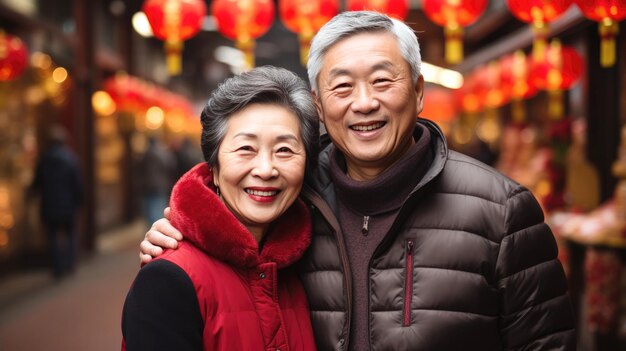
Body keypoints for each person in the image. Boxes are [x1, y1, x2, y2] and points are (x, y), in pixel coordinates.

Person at [140, 11, 576, 350]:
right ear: (318, 103)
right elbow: (228, 243)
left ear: (419, 91)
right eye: (343, 87)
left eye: (383, 81)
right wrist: (181, 235)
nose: (364, 103)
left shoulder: (502, 211)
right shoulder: (294, 200)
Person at [122, 66, 319, 350]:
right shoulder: (168, 280)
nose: (265, 169)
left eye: (285, 150)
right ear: (213, 168)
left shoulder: (300, 265)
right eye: (245, 149)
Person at [30, 124, 83, 278]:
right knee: (70, 234)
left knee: (53, 236)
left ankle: (58, 267)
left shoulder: (44, 159)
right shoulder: (70, 158)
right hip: (68, 205)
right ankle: (70, 263)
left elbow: (37, 183)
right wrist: (79, 200)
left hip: (50, 204)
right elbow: (77, 183)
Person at [137, 134, 176, 227]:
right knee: (158, 209)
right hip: (160, 185)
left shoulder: (146, 154)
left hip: (149, 186)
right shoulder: (162, 153)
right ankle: (159, 229)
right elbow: (171, 165)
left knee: (152, 210)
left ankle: (155, 229)